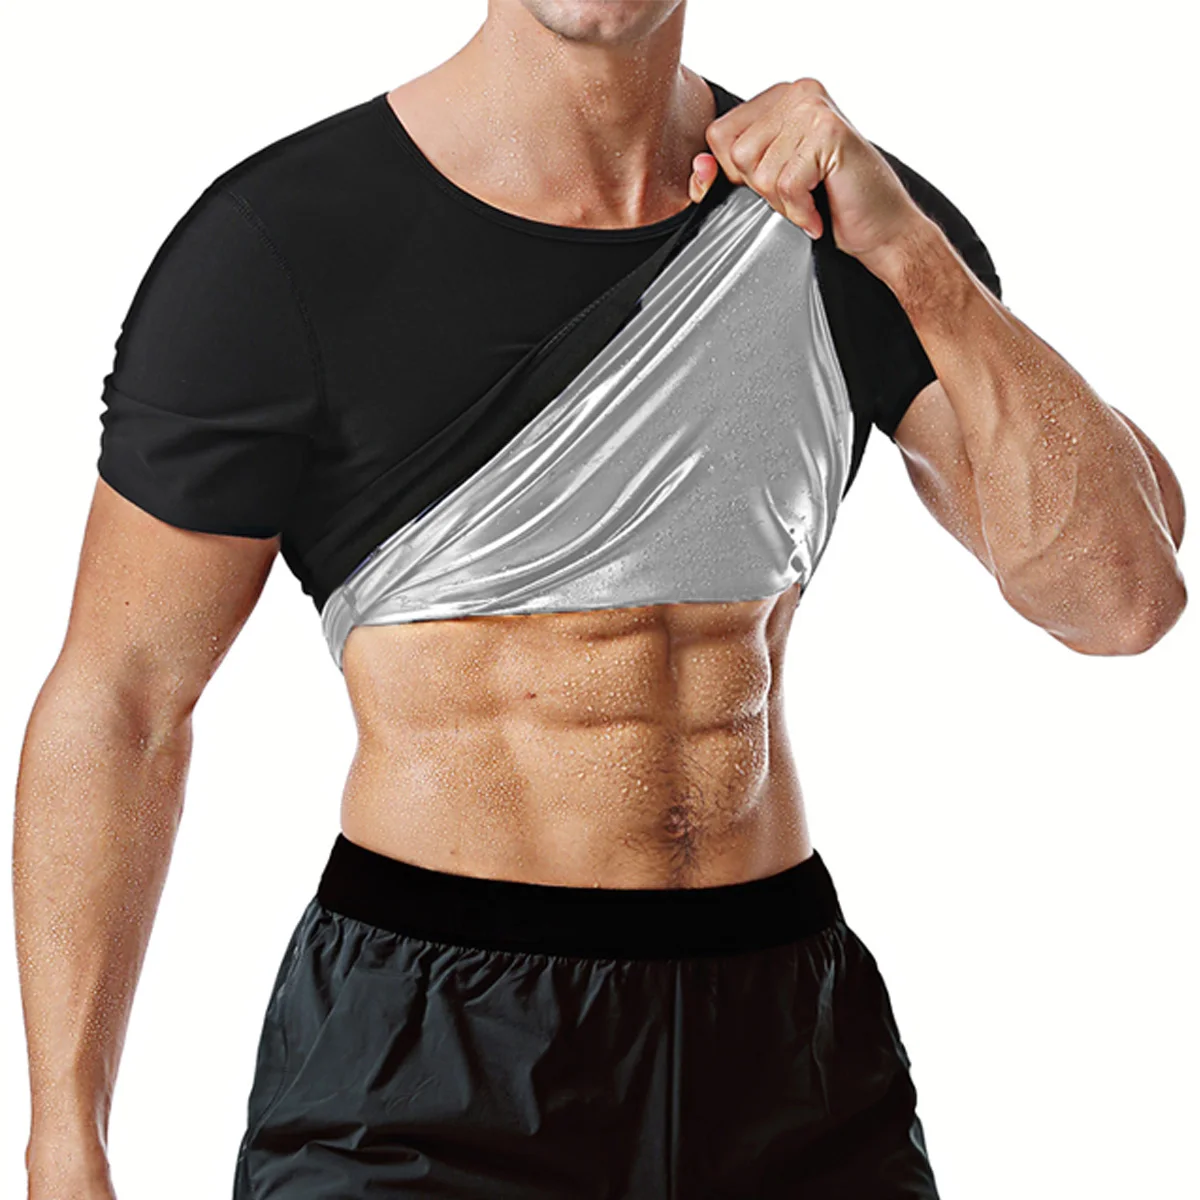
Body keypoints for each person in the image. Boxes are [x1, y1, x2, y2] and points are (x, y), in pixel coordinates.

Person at [15, 1, 1187, 1197]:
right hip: (434, 1049)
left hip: (781, 1036)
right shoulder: (287, 244)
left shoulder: (829, 211)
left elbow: (1123, 598)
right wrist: (66, 1138)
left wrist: (915, 258)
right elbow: (123, 700)